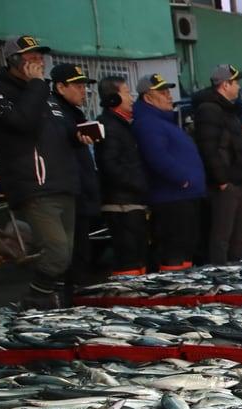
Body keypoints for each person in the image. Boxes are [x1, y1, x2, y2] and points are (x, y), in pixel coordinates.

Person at [0, 35, 82, 306]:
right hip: (35, 185)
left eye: (39, 57)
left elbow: (61, 131)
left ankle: (50, 302)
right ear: (13, 60)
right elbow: (20, 123)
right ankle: (35, 298)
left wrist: (79, 135)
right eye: (31, 58)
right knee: (57, 252)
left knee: (66, 254)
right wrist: (36, 85)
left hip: (63, 183)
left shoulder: (44, 94)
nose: (39, 62)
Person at [132, 73, 205, 270]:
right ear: (148, 97)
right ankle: (173, 284)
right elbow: (156, 156)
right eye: (162, 92)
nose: (169, 96)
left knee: (186, 247)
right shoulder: (148, 123)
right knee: (174, 249)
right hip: (171, 198)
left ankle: (185, 282)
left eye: (168, 91)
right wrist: (182, 178)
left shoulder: (164, 122)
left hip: (185, 196)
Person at [192, 64, 242, 264]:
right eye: (236, 83)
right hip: (226, 184)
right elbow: (208, 148)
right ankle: (219, 274)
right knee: (222, 235)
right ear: (225, 85)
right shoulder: (210, 110)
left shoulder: (230, 111)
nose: (239, 87)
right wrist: (222, 180)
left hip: (239, 181)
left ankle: (238, 273)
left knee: (240, 236)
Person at [49, 64, 100, 296]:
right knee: (71, 253)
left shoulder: (74, 113)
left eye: (84, 86)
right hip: (68, 193)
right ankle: (71, 297)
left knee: (82, 250)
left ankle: (78, 293)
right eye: (77, 86)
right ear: (60, 87)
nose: (83, 91)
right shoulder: (54, 112)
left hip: (81, 191)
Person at [95, 75, 149, 276]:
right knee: (129, 261)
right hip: (121, 206)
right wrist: (140, 184)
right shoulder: (109, 127)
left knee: (139, 258)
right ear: (113, 98)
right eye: (126, 93)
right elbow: (110, 166)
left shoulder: (122, 126)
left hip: (131, 203)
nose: (131, 98)